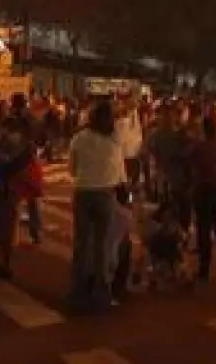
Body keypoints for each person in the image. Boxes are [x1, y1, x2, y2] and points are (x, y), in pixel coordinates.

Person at [68, 99, 125, 312]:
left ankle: (77, 292)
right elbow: (120, 170)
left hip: (83, 192)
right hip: (105, 193)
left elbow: (72, 169)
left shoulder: (78, 139)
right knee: (102, 245)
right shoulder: (114, 139)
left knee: (81, 244)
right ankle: (102, 293)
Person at [0, 114, 36, 279]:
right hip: (12, 188)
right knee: (8, 225)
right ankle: (5, 262)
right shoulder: (25, 145)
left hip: (1, 187)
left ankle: (1, 263)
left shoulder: (2, 142)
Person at [189, 114, 216, 281]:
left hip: (204, 191)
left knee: (204, 231)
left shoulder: (199, 147)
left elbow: (190, 163)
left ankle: (204, 269)